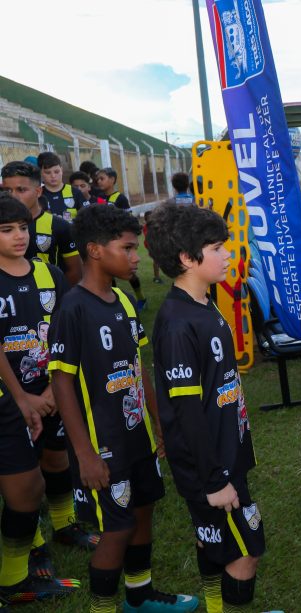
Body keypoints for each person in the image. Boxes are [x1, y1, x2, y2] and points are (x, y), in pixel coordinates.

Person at [49, 205, 197, 613]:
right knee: (117, 529)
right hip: (102, 446)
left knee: (143, 512)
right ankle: (103, 607)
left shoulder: (124, 302)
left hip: (139, 438)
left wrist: (158, 422)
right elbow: (61, 383)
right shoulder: (73, 308)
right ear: (95, 250)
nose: (136, 257)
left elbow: (138, 368)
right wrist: (84, 455)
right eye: (128, 248)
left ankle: (140, 596)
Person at [147, 204, 267, 613]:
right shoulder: (179, 323)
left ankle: (215, 606)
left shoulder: (202, 302)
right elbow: (187, 414)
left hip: (224, 455)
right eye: (217, 247)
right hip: (211, 467)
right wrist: (214, 480)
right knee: (246, 551)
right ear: (187, 258)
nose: (228, 254)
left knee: (213, 540)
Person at [0, 194, 80, 604]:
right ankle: (17, 571)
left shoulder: (49, 274)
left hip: (50, 390)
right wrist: (23, 399)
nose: (19, 236)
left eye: (23, 228)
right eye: (7, 230)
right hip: (11, 401)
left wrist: (52, 389)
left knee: (57, 457)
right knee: (24, 482)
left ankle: (66, 525)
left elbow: (65, 333)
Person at [1, 161, 82, 286]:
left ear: (38, 192)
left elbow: (75, 270)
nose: (13, 196)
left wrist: (59, 297)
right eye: (7, 190)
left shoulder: (60, 226)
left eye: (21, 190)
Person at [94, 168, 146, 309]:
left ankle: (141, 298)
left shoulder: (120, 198)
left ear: (112, 180)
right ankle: (113, 302)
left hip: (120, 241)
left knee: (129, 271)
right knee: (108, 272)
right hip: (105, 241)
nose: (99, 181)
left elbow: (128, 219)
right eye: (98, 179)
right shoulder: (99, 197)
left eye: (102, 178)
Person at [37, 152, 88, 222]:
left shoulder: (75, 192)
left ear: (62, 170)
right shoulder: (37, 195)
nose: (53, 176)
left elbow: (88, 218)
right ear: (40, 173)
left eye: (56, 172)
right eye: (48, 172)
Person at [142, 212, 162, 284]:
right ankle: (156, 278)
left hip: (157, 244)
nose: (151, 219)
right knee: (156, 260)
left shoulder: (155, 225)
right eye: (149, 217)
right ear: (146, 219)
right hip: (151, 245)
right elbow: (149, 237)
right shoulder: (146, 227)